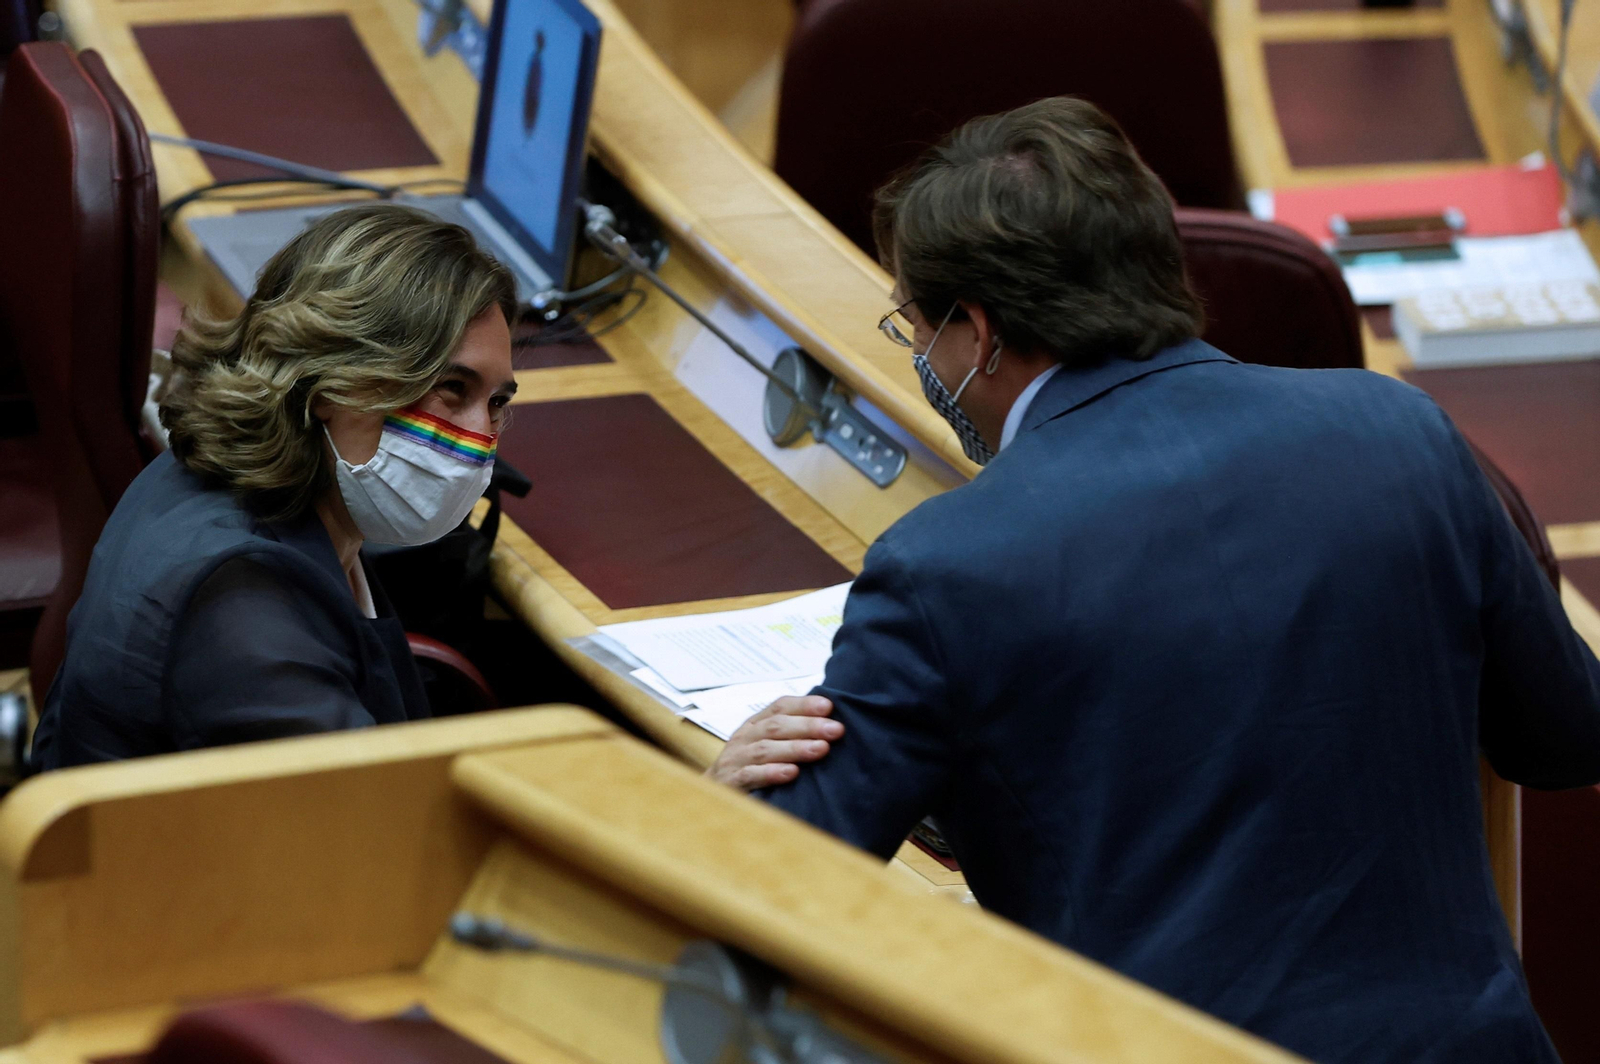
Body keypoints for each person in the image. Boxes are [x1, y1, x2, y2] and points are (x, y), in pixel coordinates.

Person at [706, 97, 1600, 1063]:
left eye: (916, 327)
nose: (921, 357)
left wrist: (723, 797)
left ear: (979, 331)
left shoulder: (943, 565)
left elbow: (777, 891)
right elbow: (1566, 737)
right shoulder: (1402, 431)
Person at [31, 205, 519, 769]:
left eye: (498, 402)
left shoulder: (254, 482)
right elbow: (363, 831)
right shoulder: (239, 610)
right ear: (326, 384)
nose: (481, 438)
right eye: (450, 387)